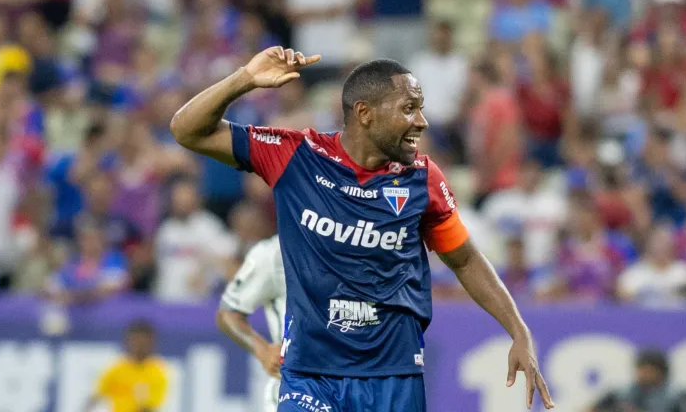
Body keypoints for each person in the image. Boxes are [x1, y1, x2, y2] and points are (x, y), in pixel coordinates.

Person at [170, 46, 554, 411]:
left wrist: (519, 331)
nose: (422, 121)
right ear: (365, 113)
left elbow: (466, 261)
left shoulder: (422, 180)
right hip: (310, 373)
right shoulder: (294, 156)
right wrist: (245, 79)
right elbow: (188, 130)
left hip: (393, 375)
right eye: (409, 108)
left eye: (420, 109)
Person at [216, 235, 285, 412]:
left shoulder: (364, 247)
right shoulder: (273, 253)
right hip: (295, 389)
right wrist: (263, 351)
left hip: (360, 386)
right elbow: (228, 312)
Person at [84, 321, 168, 412]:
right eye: (135, 340)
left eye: (143, 342)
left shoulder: (157, 373)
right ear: (127, 341)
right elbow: (96, 396)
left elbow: (149, 408)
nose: (139, 346)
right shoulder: (117, 368)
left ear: (152, 343)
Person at [589, 349, 686, 412]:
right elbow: (591, 409)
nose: (643, 375)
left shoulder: (676, 395)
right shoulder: (620, 392)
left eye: (648, 371)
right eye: (640, 370)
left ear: (661, 372)